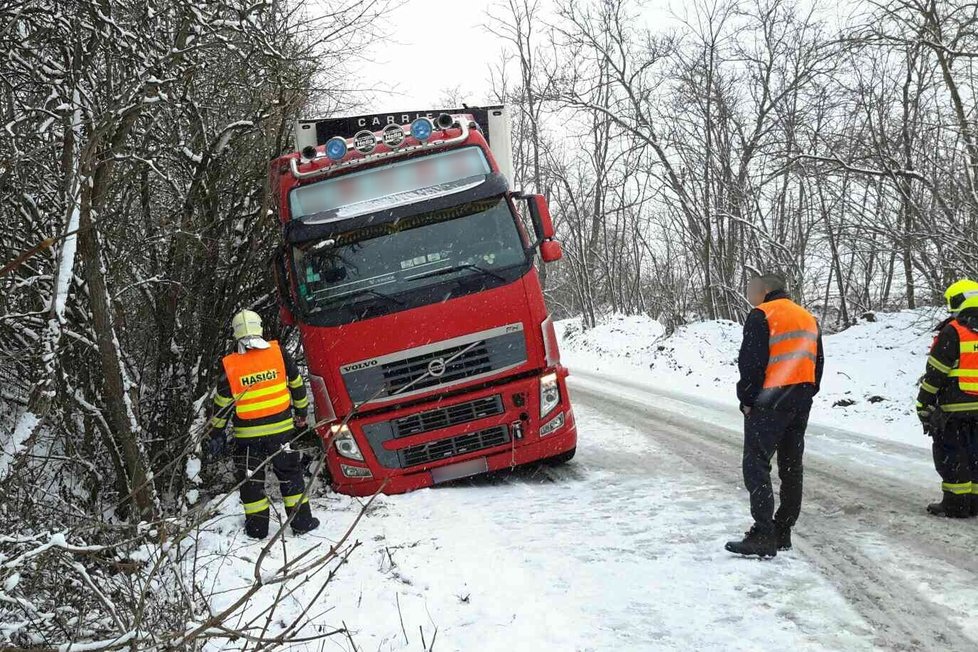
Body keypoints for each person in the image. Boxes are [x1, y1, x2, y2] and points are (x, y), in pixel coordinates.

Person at [726, 274, 824, 559]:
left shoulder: (762, 315)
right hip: (800, 402)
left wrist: (747, 399)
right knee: (792, 467)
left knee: (756, 465)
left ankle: (763, 533)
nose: (750, 296)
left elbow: (752, 363)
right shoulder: (808, 319)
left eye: (752, 290)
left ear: (765, 289)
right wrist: (806, 393)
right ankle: (783, 531)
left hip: (768, 402)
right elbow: (818, 363)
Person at [207, 309, 320, 539]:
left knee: (251, 482)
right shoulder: (278, 353)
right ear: (259, 327)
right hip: (281, 433)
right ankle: (302, 522)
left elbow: (221, 405)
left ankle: (257, 531)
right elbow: (297, 385)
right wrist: (301, 412)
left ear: (236, 333)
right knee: (291, 476)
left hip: (248, 439)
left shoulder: (231, 365)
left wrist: (216, 432)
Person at [915, 279, 978, 518]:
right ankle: (974, 502)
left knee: (952, 455)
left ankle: (956, 504)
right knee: (975, 455)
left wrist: (923, 402)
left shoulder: (954, 330)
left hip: (954, 409)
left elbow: (936, 372)